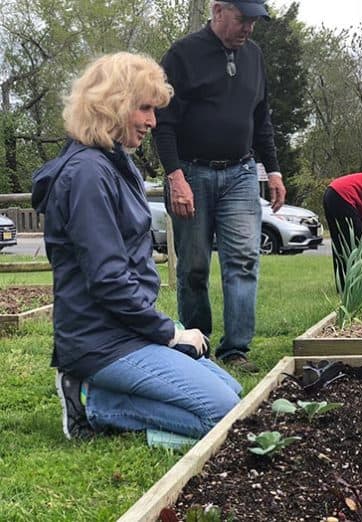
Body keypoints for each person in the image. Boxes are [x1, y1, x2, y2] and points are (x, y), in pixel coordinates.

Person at [31, 52, 243, 441]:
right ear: (113, 105)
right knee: (223, 413)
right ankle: (92, 402)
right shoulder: (87, 176)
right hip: (100, 340)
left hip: (126, 329)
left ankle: (109, 395)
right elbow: (109, 280)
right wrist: (169, 334)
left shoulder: (117, 163)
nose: (152, 121)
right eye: (144, 108)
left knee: (236, 395)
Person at [152, 0, 286, 373]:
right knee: (193, 267)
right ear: (218, 11)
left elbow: (262, 119)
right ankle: (199, 342)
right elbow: (163, 123)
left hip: (241, 174)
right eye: (243, 19)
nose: (248, 29)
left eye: (254, 22)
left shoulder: (254, 57)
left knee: (243, 261)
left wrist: (273, 171)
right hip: (191, 174)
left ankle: (236, 351)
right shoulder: (182, 55)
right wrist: (175, 177)